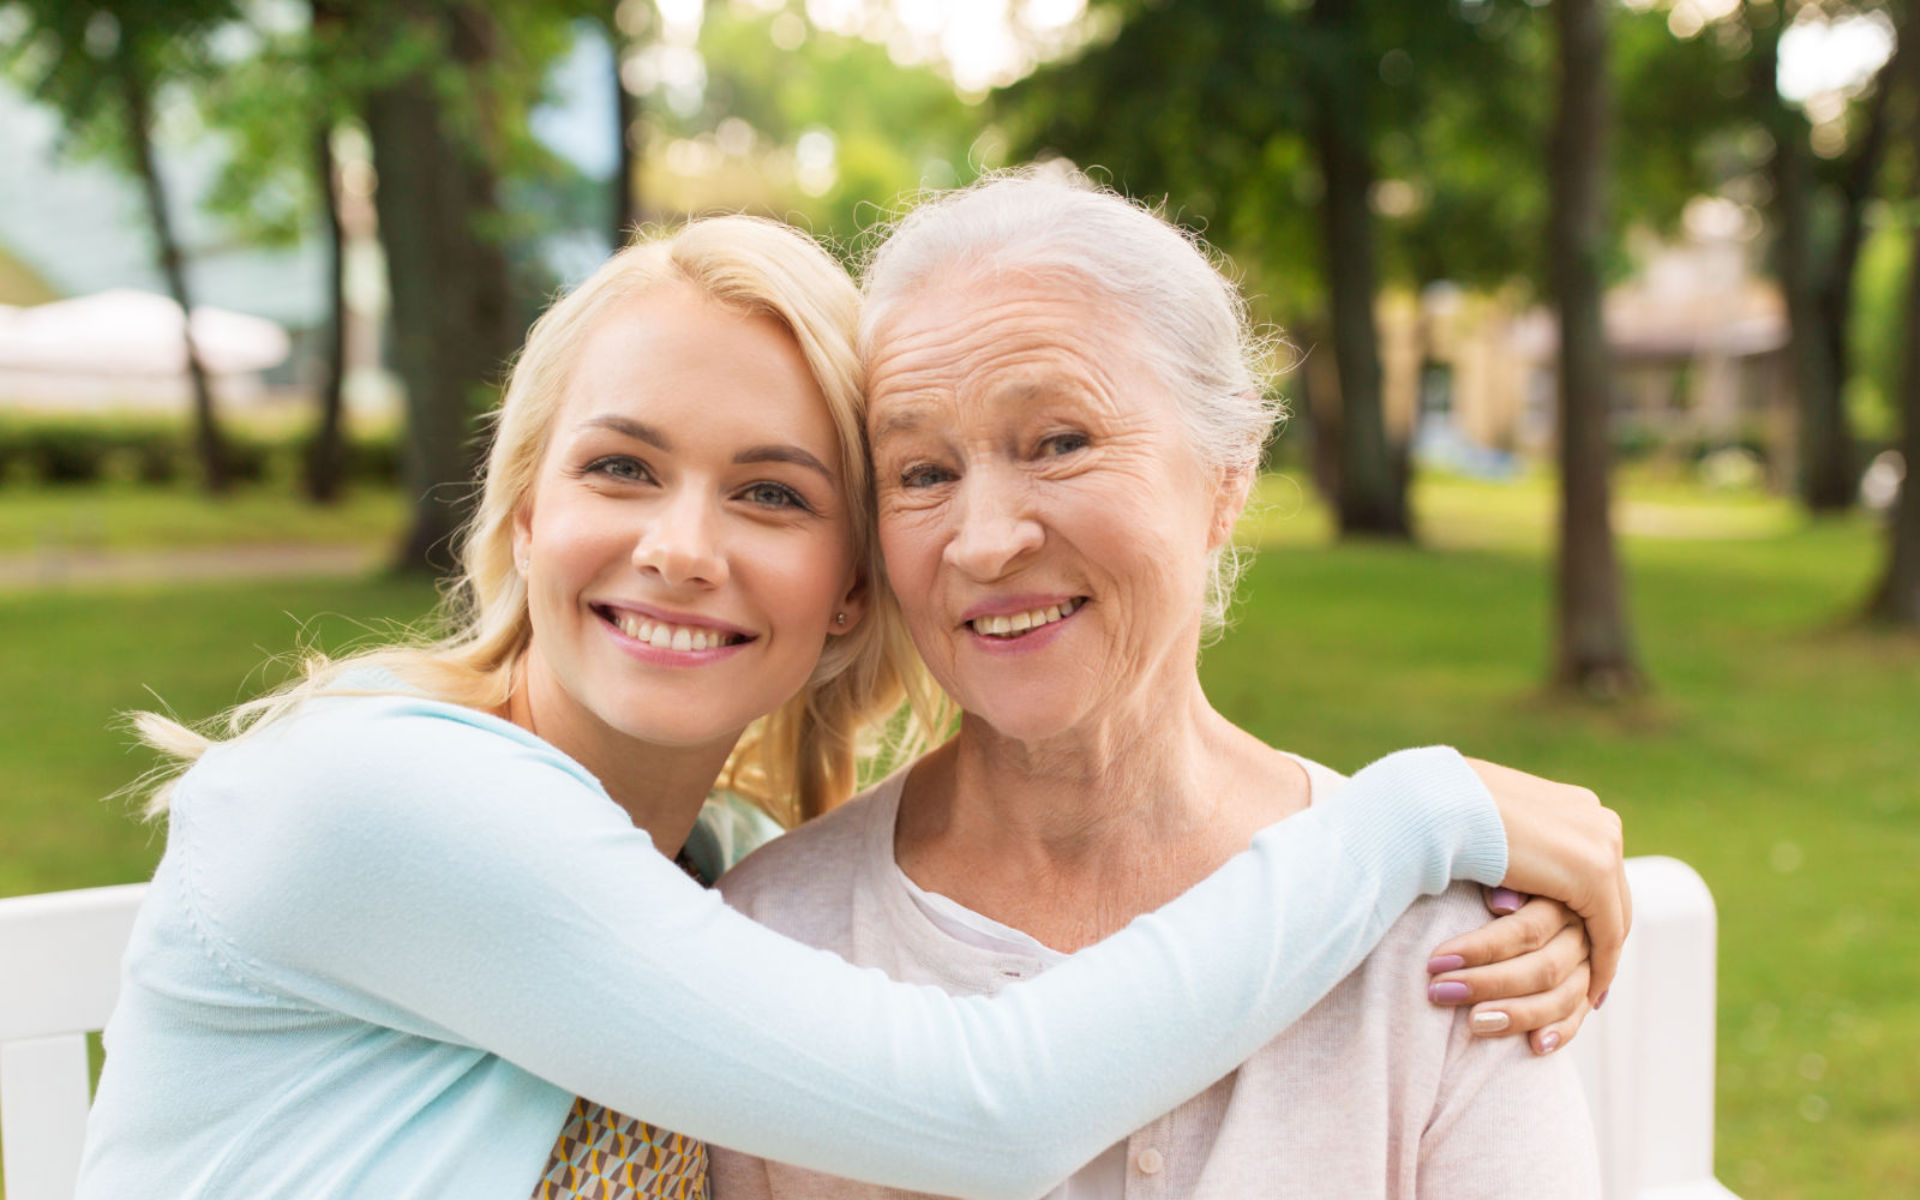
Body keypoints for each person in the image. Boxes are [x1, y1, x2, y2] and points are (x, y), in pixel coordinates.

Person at [76, 214, 1622, 1200]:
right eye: (621, 466)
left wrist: (1436, 881)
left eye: (771, 491)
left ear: (846, 586)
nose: (683, 546)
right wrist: (1410, 820)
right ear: (524, 509)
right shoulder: (380, 800)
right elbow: (982, 1110)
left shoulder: (713, 880)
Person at [710, 171, 1602, 1200]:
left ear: (1229, 477)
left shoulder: (1448, 943)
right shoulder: (774, 937)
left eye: (1060, 442)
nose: (988, 540)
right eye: (921, 473)